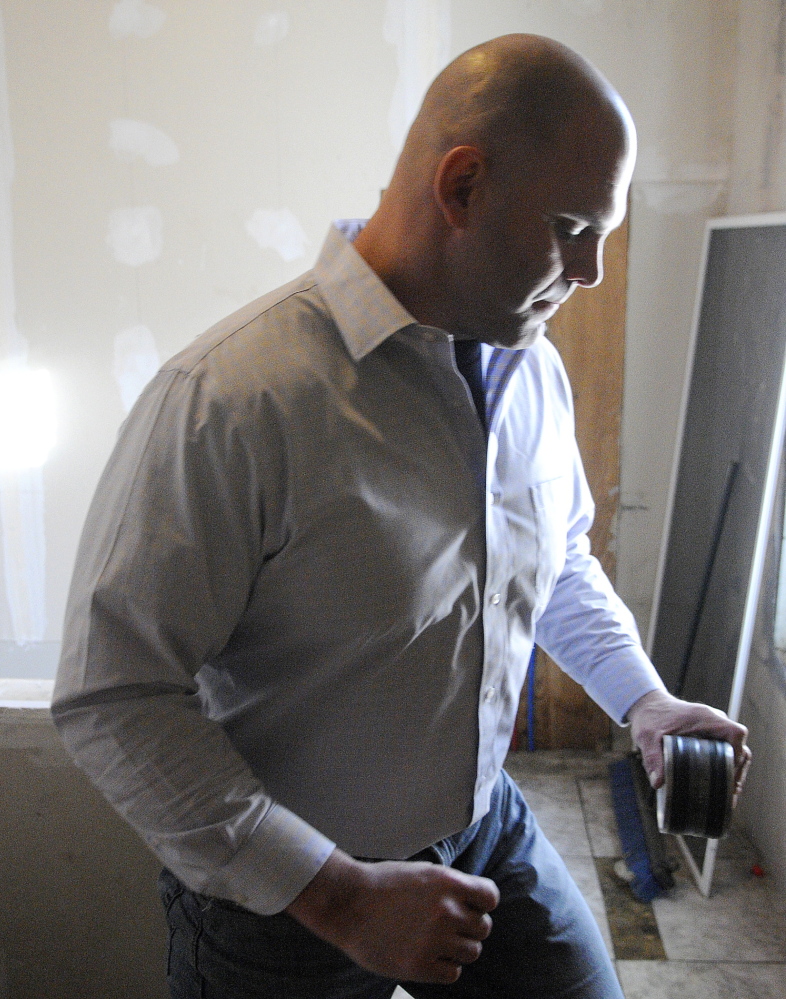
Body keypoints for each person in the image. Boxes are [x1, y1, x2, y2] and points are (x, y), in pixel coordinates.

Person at [52, 33, 750, 998]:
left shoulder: (533, 368)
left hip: (483, 830)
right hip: (281, 907)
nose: (591, 271)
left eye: (605, 236)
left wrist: (645, 700)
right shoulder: (234, 396)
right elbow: (113, 695)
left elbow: (554, 561)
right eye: (573, 228)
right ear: (460, 187)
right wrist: (339, 896)